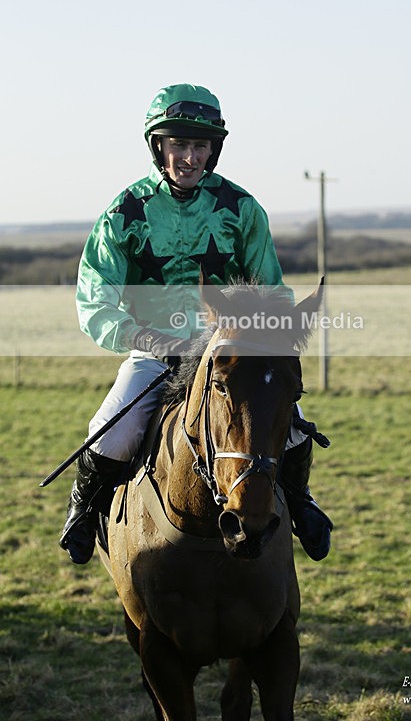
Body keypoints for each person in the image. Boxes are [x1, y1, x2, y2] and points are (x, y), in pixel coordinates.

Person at [59, 83, 333, 565]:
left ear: (214, 149)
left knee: (289, 428)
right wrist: (145, 338)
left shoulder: (241, 209)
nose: (189, 157)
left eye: (200, 146)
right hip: (156, 355)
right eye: (179, 145)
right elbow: (94, 298)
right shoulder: (124, 214)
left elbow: (271, 287)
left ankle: (301, 501)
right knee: (110, 434)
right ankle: (83, 511)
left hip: (231, 353)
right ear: (158, 146)